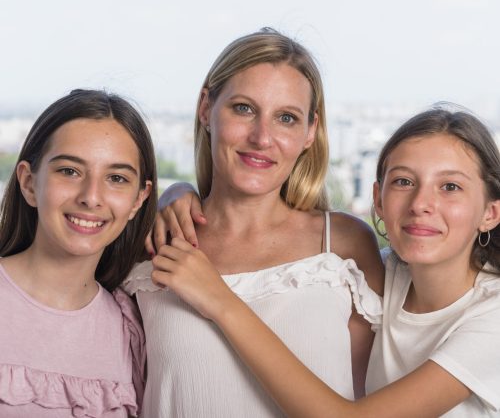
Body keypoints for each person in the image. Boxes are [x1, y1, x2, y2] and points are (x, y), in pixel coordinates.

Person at [152, 106, 500, 417]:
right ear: (378, 200)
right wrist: (178, 193)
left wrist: (221, 302)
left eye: (451, 187)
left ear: (491, 212)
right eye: (404, 181)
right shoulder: (376, 274)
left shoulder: (492, 318)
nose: (421, 203)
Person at [124, 28, 384, 417]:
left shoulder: (345, 243)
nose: (263, 137)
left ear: (310, 132)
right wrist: (171, 194)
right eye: (244, 108)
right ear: (205, 108)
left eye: (286, 118)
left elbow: (372, 391)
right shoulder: (153, 242)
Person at [0, 89, 157, 417]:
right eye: (69, 171)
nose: (91, 197)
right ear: (29, 183)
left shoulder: (131, 331)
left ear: (138, 200)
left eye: (116, 178)